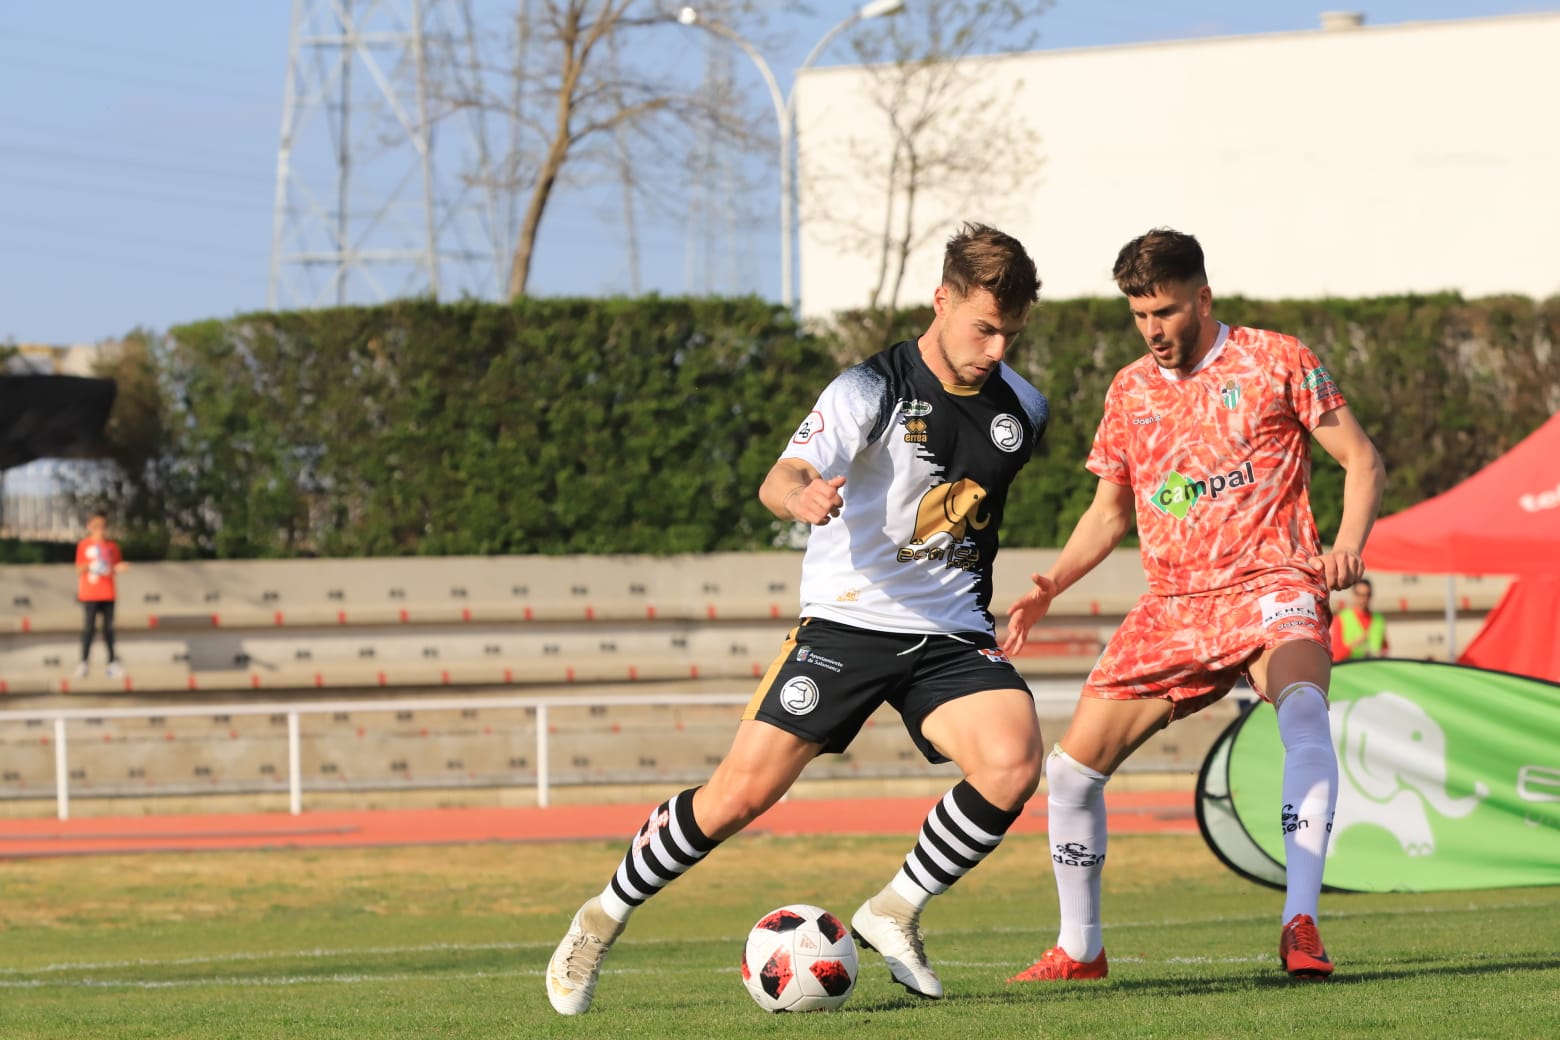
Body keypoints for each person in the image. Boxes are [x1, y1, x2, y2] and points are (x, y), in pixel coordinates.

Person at [546, 223, 1051, 1014]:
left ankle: (894, 909)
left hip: (950, 631)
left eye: (1010, 334)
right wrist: (803, 494)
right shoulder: (870, 387)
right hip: (847, 622)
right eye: (983, 327)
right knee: (735, 800)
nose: (995, 348)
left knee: (1014, 759)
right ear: (941, 300)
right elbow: (781, 476)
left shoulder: (1022, 408)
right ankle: (600, 917)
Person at [1001, 228, 1385, 983]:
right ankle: (1081, 948)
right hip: (1174, 605)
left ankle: (1299, 922)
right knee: (1072, 772)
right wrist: (1052, 583)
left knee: (1304, 710)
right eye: (1140, 315)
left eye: (1167, 312)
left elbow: (1363, 459)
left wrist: (1345, 543)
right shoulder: (1129, 390)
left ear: (1202, 298)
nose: (1153, 330)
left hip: (1273, 583)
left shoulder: (1278, 358)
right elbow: (1109, 514)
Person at [74, 512, 129, 679]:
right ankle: (83, 663)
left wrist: (120, 568)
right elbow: (78, 569)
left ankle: (112, 663)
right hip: (90, 594)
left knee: (109, 629)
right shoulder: (84, 545)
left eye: (103, 526)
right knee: (89, 628)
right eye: (96, 526)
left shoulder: (112, 546)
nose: (100, 530)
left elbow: (116, 565)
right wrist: (91, 564)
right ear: (89, 527)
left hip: (108, 593)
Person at [1329, 577, 1389, 661]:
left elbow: (1385, 649)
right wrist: (1354, 644)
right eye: (1359, 594)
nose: (1363, 599)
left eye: (1366, 595)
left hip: (1373, 669)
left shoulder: (1379, 619)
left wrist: (1381, 654)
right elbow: (1334, 655)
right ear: (1353, 595)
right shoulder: (1341, 619)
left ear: (1370, 596)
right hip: (1350, 670)